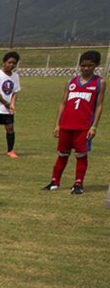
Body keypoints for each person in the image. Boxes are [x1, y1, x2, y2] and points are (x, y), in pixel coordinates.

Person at [44, 50, 105, 194]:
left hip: (83, 126)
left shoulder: (99, 82)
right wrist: (57, 124)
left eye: (89, 66)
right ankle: (54, 181)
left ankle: (78, 183)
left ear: (96, 65)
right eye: (82, 65)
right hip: (66, 125)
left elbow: (99, 106)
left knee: (81, 155)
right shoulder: (71, 81)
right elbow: (63, 103)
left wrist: (94, 126)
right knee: (62, 154)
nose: (85, 68)